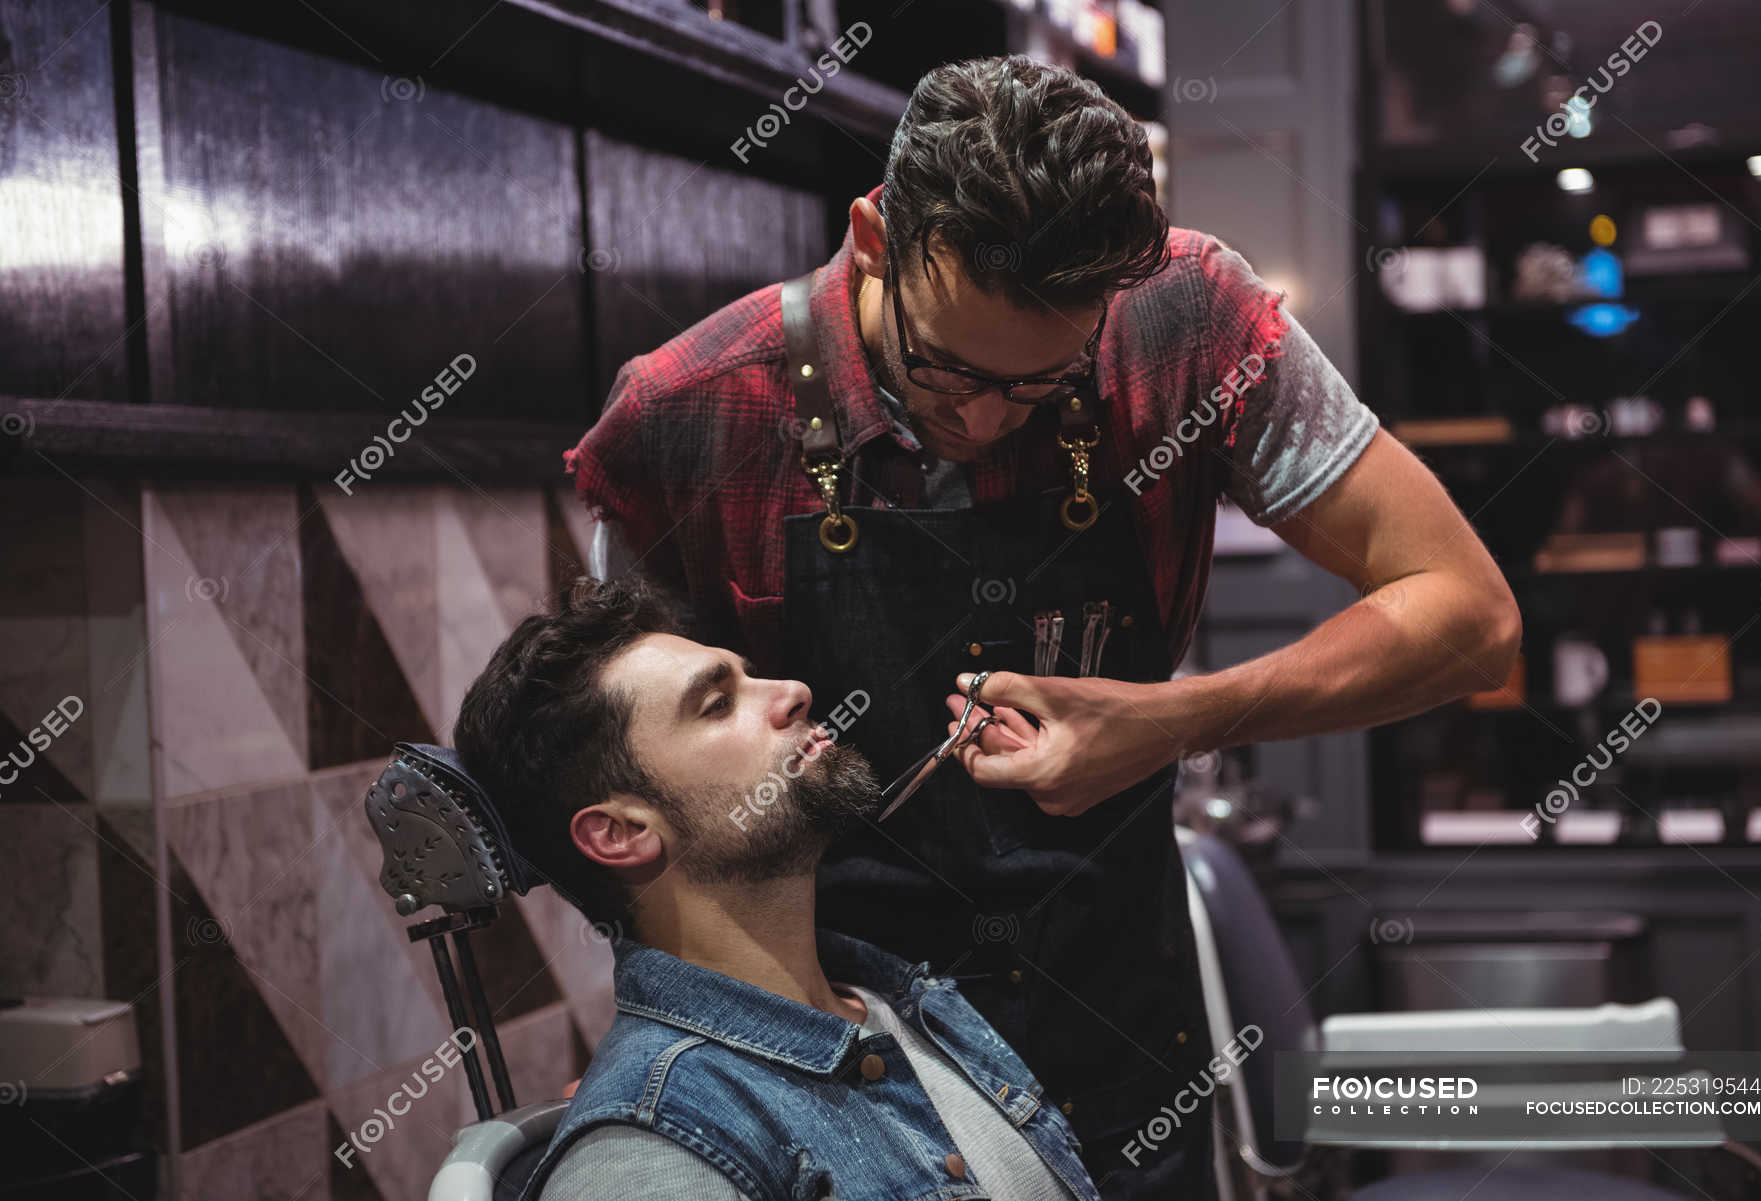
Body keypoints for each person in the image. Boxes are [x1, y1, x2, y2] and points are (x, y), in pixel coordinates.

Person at [566, 54, 1521, 1196]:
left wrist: (1171, 720)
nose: (979, 420)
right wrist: (658, 1050)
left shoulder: (1185, 323)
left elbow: (1471, 617)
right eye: (942, 369)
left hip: (1121, 1043)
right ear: (875, 239)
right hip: (849, 1093)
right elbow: (634, 782)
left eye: (1038, 386)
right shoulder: (690, 416)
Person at [453, 574, 1103, 1201]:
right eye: (717, 703)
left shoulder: (906, 1005)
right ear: (620, 833)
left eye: (747, 673)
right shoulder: (654, 1159)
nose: (793, 689)